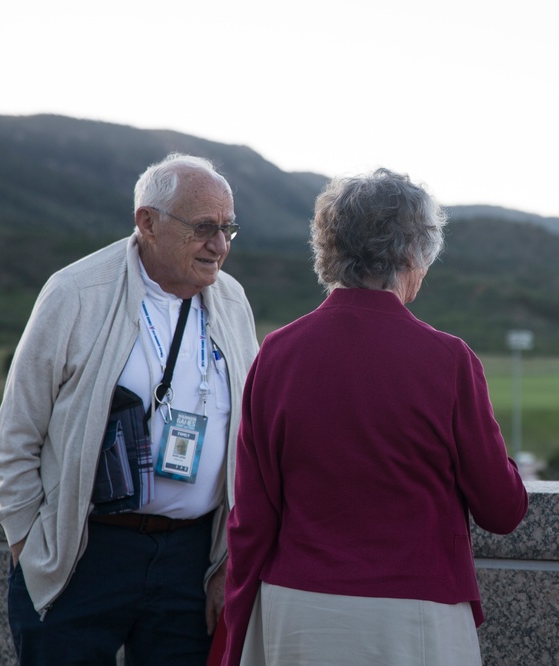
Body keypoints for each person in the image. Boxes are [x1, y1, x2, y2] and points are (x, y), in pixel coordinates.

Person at [222, 168, 528, 665]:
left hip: (296, 611)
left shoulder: (276, 353)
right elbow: (502, 508)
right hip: (414, 616)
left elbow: (252, 516)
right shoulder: (448, 360)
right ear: (412, 253)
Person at [0, 153, 260, 665]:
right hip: (84, 552)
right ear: (148, 222)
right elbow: (15, 437)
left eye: (228, 229)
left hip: (190, 560)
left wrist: (226, 565)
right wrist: (31, 546)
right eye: (204, 227)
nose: (220, 246)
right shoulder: (75, 292)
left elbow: (248, 439)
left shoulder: (232, 300)